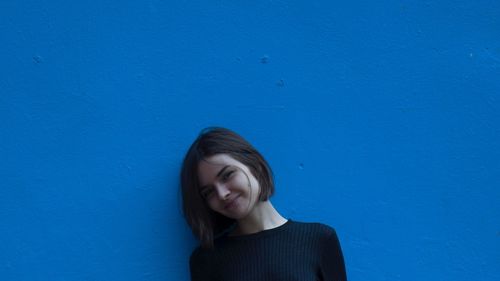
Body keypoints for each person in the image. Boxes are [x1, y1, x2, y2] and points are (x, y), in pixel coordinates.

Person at [180, 127, 347, 281]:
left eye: (227, 175)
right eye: (209, 192)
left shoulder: (320, 240)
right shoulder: (206, 259)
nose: (222, 194)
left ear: (256, 167)